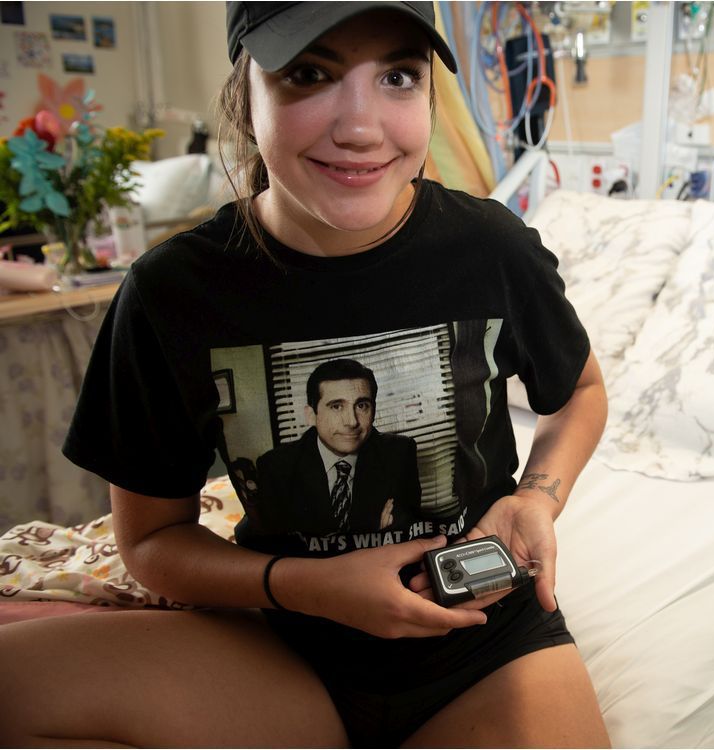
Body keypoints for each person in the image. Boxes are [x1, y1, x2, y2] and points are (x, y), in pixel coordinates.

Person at [0, 2, 610, 748]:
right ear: (244, 95)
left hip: (484, 643)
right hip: (288, 649)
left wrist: (537, 500)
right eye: (309, 74)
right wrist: (308, 586)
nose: (360, 127)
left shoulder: (490, 250)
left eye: (397, 75)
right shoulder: (171, 293)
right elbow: (153, 542)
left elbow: (578, 391)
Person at [253, 358, 421, 539]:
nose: (351, 421)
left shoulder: (400, 453)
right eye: (336, 406)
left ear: (373, 411)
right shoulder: (275, 466)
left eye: (362, 405)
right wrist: (374, 529)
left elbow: (404, 528)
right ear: (311, 415)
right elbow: (281, 544)